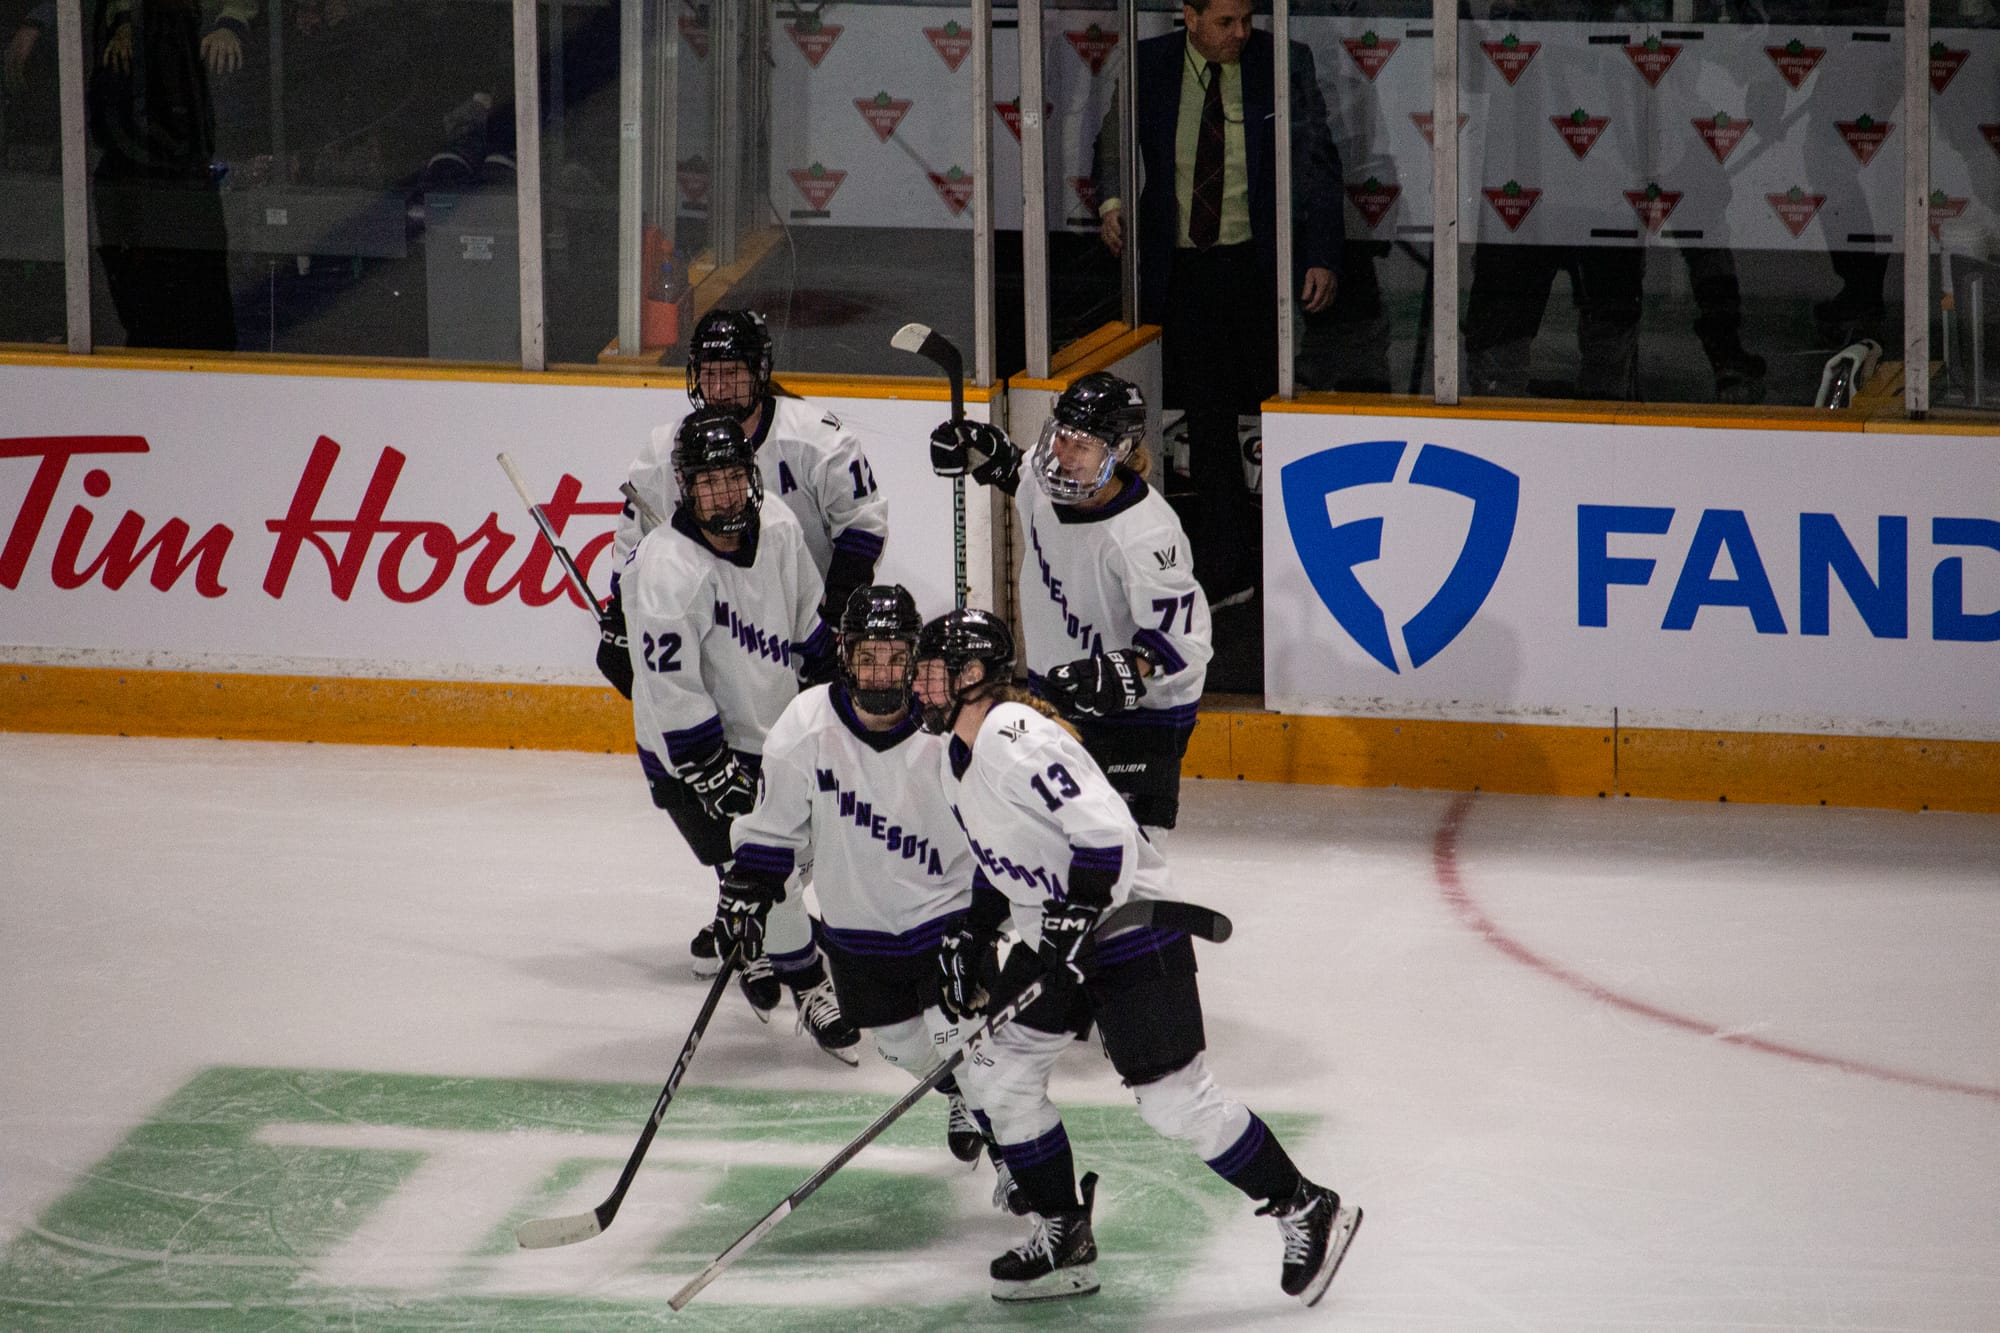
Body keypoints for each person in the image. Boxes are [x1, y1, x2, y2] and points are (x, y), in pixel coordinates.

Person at [911, 607, 1362, 1307]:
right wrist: (974, 929)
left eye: (931, 673)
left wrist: (1079, 908)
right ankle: (1064, 1230)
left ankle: (1304, 1204)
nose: (918, 686)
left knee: (1174, 1100)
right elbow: (1003, 856)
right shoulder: (956, 758)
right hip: (1052, 935)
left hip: (1125, 926)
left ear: (971, 676)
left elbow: (1106, 836)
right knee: (996, 1077)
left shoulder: (1016, 735)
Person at [715, 584, 996, 1164]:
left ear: (918, 657)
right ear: (844, 654)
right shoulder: (807, 722)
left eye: (896, 657)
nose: (881, 673)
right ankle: (959, 1091)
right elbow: (774, 828)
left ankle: (1012, 1161)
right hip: (858, 924)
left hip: (947, 912)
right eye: (868, 657)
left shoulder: (947, 723)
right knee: (900, 1046)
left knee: (964, 1041)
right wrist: (747, 890)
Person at [620, 405, 858, 1061]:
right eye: (707, 481)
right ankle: (808, 983)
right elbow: (672, 690)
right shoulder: (662, 569)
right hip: (688, 749)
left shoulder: (778, 525)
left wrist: (833, 699)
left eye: (731, 477)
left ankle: (749, 930)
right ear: (685, 488)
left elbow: (809, 626)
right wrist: (707, 766)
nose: (722, 493)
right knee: (770, 863)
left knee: (795, 857)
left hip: (772, 733)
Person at [1092, 0, 1344, 608]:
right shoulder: (1150, 63)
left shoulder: (1282, 63)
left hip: (1257, 267)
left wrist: (1323, 254)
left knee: (1274, 402)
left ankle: (1291, 557)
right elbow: (1112, 141)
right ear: (1191, 16)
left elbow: (1318, 165)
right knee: (1206, 416)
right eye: (1227, 22)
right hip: (1184, 271)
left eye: (1247, 20)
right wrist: (1111, 202)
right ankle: (1226, 565)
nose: (1242, 33)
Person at [930, 372, 1212, 844]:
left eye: (1080, 446)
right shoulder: (1044, 485)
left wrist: (1120, 671)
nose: (1061, 455)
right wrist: (980, 448)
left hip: (1143, 712)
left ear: (1117, 452)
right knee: (1045, 833)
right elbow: (1015, 471)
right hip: (1055, 691)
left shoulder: (1145, 534)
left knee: (1126, 849)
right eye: (1060, 437)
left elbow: (1186, 639)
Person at [598, 308, 890, 698]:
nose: (719, 389)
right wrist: (620, 616)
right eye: (710, 373)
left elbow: (862, 525)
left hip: (803, 624)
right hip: (713, 629)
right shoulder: (665, 452)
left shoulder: (818, 440)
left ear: (759, 372)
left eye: (732, 373)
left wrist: (834, 615)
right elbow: (635, 543)